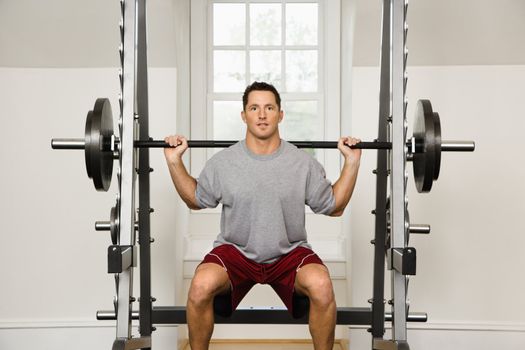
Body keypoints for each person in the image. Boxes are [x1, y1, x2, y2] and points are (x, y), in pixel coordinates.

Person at [164, 81, 361, 350]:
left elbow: (334, 206)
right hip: (236, 252)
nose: (262, 114)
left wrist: (352, 162)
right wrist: (174, 161)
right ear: (244, 115)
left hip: (289, 253)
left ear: (280, 114)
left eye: (269, 107)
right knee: (200, 286)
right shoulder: (224, 162)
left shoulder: (301, 162)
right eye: (254, 108)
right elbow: (196, 199)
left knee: (322, 285)